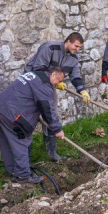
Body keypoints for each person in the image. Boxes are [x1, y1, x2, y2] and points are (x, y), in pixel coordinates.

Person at [0, 67, 67, 183]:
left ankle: (12, 170)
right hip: (12, 115)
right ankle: (23, 176)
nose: (58, 84)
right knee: (22, 141)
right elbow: (47, 109)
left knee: (6, 141)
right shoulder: (44, 86)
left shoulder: (35, 74)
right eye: (59, 80)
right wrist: (57, 129)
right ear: (54, 74)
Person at [24, 33, 90, 161]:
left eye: (79, 48)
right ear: (68, 41)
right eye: (75, 46)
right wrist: (56, 82)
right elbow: (38, 68)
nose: (77, 49)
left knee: (50, 114)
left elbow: (75, 76)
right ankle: (25, 156)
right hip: (31, 84)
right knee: (29, 116)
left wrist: (83, 91)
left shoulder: (73, 59)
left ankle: (51, 153)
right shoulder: (49, 48)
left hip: (49, 87)